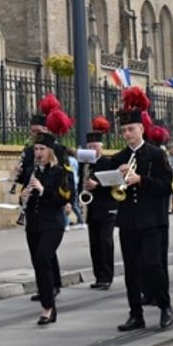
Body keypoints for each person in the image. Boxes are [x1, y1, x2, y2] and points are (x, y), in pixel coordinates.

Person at [111, 87, 173, 332]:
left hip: (152, 220)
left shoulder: (156, 155)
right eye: (124, 130)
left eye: (131, 129)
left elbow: (167, 185)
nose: (127, 134)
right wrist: (113, 180)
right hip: (128, 221)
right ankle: (135, 313)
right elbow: (110, 190)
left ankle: (165, 306)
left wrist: (141, 180)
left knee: (153, 265)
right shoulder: (119, 157)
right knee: (131, 270)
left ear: (142, 129)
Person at [23, 125, 73, 325]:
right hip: (33, 223)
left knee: (43, 258)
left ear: (50, 151)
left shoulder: (60, 172)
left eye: (42, 149)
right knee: (38, 263)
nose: (38, 153)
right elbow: (24, 199)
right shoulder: (30, 171)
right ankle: (47, 305)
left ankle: (48, 307)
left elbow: (63, 198)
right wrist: (23, 196)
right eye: (36, 149)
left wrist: (43, 190)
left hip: (53, 223)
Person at [80, 117, 116, 289]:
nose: (93, 150)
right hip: (93, 209)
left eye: (95, 147)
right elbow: (82, 183)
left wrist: (97, 185)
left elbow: (113, 183)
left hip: (107, 208)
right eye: (90, 147)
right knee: (94, 243)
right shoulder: (85, 164)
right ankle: (98, 277)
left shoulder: (108, 162)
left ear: (101, 147)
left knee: (105, 242)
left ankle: (107, 277)